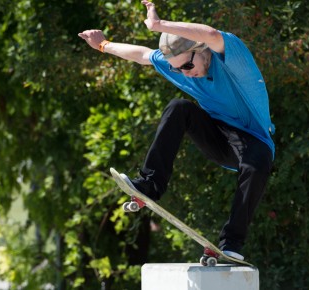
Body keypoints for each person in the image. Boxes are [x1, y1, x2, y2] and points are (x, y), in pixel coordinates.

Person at [79, 0, 274, 261]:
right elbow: (142, 55)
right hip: (217, 137)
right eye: (176, 69)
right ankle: (150, 184)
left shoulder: (233, 61)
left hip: (253, 141)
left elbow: (213, 34)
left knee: (257, 162)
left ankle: (232, 243)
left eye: (187, 66)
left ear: (202, 51)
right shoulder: (182, 66)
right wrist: (103, 45)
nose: (184, 73)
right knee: (178, 107)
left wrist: (159, 25)